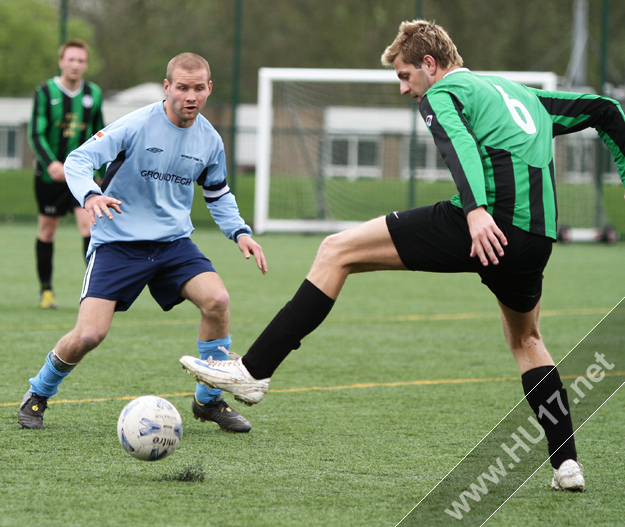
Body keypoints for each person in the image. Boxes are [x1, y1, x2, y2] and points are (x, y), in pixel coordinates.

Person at [181, 20, 625, 489]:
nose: (402, 88)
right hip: (536, 238)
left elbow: (459, 150)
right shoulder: (518, 94)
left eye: (405, 75)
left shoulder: (444, 93)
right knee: (528, 341)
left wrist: (475, 212)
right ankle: (567, 464)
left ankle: (253, 371)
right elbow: (606, 109)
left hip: (482, 224)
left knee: (336, 250)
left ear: (430, 65)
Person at [19, 52, 267, 434]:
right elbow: (78, 161)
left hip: (172, 243)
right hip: (119, 242)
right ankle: (39, 391)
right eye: (182, 87)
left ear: (209, 89)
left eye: (198, 88)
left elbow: (217, 193)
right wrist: (91, 196)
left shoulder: (210, 140)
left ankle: (208, 400)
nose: (190, 96)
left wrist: (240, 231)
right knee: (89, 335)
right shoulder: (135, 125)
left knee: (217, 300)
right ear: (167, 87)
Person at [28, 39, 105, 309]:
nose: (75, 65)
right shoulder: (45, 92)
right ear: (61, 62)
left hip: (81, 176)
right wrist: (50, 162)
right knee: (47, 230)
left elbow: (100, 134)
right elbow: (36, 133)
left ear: (86, 64)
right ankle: (46, 290)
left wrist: (102, 172)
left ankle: (96, 293)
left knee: (89, 227)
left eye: (81, 60)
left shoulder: (93, 94)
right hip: (50, 176)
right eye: (71, 59)